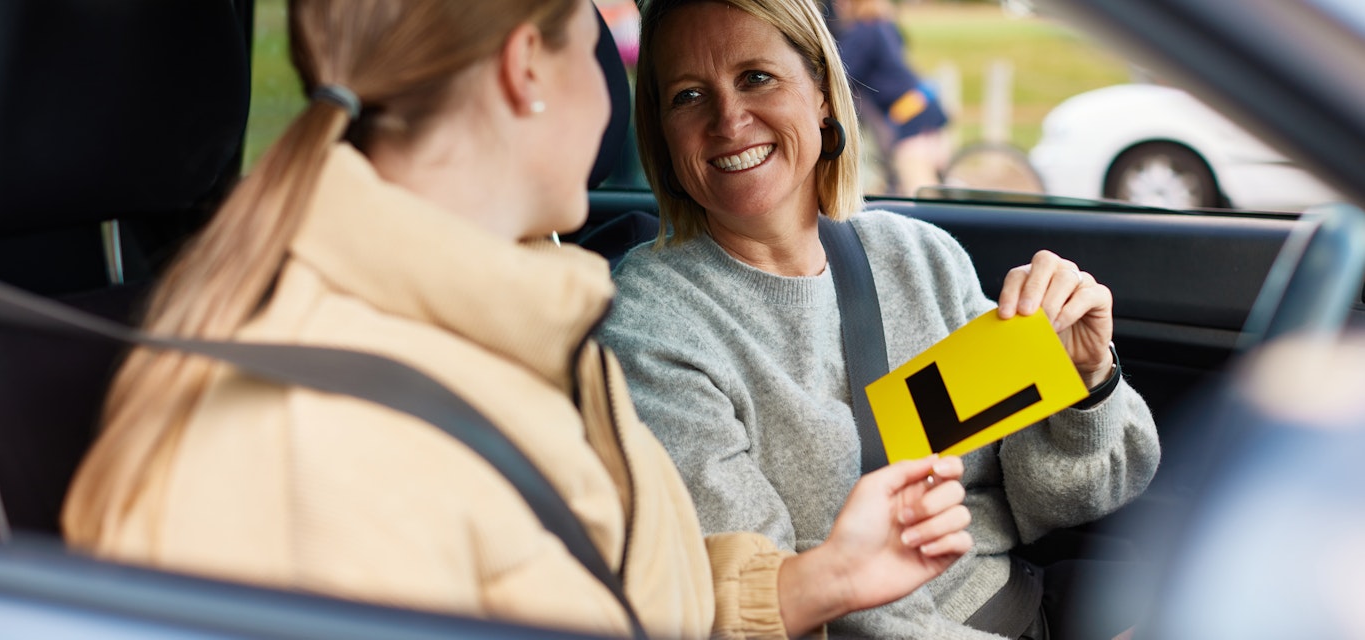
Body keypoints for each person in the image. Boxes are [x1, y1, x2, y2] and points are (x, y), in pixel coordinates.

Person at [60, 1, 974, 638]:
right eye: (593, 49)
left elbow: (625, 588)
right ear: (526, 70)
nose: (618, 96)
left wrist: (820, 581)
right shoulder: (308, 441)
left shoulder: (533, 321)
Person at [599, 0, 1161, 638]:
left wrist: (1083, 379)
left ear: (821, 95)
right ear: (662, 134)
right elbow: (770, 604)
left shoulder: (915, 258)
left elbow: (1064, 501)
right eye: (688, 95)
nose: (729, 118)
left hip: (1028, 602)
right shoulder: (653, 328)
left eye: (757, 77)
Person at [829, 0, 951, 195]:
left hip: (910, 115)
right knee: (929, 185)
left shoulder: (864, 32)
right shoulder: (884, 25)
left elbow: (841, 74)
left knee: (919, 191)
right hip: (924, 103)